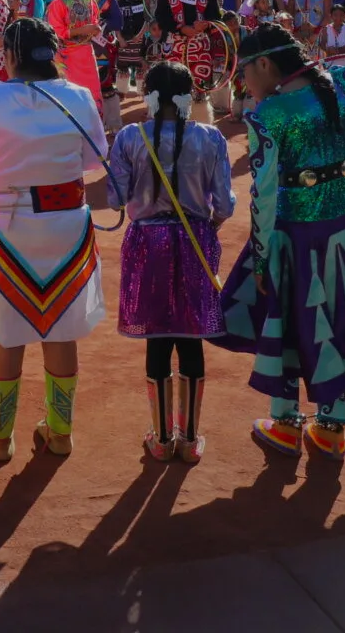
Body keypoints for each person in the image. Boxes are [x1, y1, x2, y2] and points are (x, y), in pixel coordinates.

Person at [216, 24, 345, 462]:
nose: (245, 84)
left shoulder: (269, 114)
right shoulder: (339, 83)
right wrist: (337, 159)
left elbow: (262, 193)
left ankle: (284, 422)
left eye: (244, 72)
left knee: (292, 318)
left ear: (264, 64)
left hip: (297, 232)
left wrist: (261, 260)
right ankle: (331, 428)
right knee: (343, 309)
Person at [0, 17, 107, 460]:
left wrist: (6, 191)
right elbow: (95, 160)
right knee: (62, 327)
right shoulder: (77, 96)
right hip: (66, 227)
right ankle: (60, 433)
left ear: (11, 56)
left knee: (7, 332)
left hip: (8, 229)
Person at [106, 62, 234, 463]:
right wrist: (207, 223)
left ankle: (161, 438)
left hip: (148, 242)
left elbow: (115, 199)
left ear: (148, 94)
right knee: (191, 335)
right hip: (196, 239)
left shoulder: (130, 137)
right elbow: (225, 203)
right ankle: (190, 438)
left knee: (158, 337)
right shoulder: (210, 138)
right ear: (188, 95)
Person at [149, 0, 224, 121]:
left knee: (199, 87)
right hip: (175, 44)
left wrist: (205, 24)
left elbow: (215, 15)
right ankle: (170, 124)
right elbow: (161, 15)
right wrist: (181, 28)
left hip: (199, 45)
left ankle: (200, 125)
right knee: (172, 86)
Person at [46, 0, 105, 108]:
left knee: (92, 89)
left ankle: (93, 123)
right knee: (70, 91)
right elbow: (56, 31)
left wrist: (95, 30)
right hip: (67, 55)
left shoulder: (89, 0)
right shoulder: (58, 3)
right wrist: (84, 30)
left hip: (86, 53)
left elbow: (95, 20)